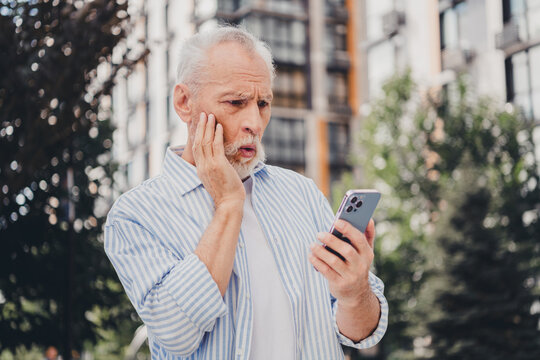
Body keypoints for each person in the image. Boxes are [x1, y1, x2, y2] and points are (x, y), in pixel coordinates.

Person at [104, 26, 388, 360]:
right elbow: (176, 333)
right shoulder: (136, 216)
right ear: (184, 103)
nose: (255, 121)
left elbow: (363, 334)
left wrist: (355, 293)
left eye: (263, 103)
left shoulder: (301, 193)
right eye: (236, 102)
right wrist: (228, 204)